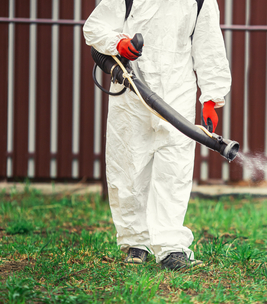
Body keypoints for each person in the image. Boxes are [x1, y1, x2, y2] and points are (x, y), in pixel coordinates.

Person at [83, 0, 231, 270]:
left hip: (178, 92)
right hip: (132, 92)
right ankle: (135, 243)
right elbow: (94, 28)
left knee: (174, 169)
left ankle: (171, 247)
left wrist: (211, 96)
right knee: (128, 166)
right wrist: (118, 43)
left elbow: (209, 45)